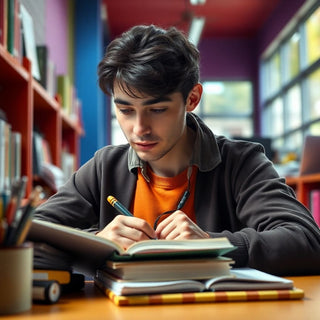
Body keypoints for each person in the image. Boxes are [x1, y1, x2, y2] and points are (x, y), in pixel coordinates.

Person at [34, 24, 320, 276]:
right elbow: (28, 234)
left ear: (192, 98)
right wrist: (98, 242)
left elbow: (307, 241)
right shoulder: (103, 167)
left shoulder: (241, 162)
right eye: (125, 110)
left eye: (157, 109)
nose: (139, 128)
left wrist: (213, 244)